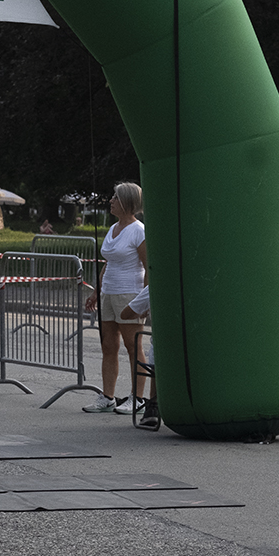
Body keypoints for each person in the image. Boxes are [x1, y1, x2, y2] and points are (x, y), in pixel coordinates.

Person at [82, 182, 148, 415]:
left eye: (116, 198)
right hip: (109, 293)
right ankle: (108, 396)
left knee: (133, 346)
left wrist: (144, 300)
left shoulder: (138, 230)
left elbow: (148, 266)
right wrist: (96, 292)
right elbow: (107, 263)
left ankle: (138, 398)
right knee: (108, 345)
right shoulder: (112, 228)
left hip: (129, 293)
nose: (111, 200)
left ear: (128, 203)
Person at [120, 285, 159, 430]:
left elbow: (125, 314)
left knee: (156, 353)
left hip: (164, 353)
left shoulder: (155, 286)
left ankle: (153, 406)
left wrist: (145, 310)